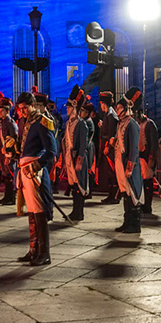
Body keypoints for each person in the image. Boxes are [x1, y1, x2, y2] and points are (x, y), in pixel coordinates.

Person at [15, 101, 57, 266]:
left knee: (39, 212)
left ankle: (44, 253)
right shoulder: (28, 123)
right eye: (20, 109)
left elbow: (51, 150)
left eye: (25, 107)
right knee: (32, 212)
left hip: (34, 172)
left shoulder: (42, 121)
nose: (23, 111)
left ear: (33, 105)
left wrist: (37, 165)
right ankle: (34, 250)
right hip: (25, 170)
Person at [114, 89, 146, 236]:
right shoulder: (121, 123)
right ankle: (127, 221)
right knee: (125, 193)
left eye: (120, 107)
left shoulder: (132, 124)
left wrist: (130, 166)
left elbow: (133, 147)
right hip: (120, 161)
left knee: (132, 192)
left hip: (128, 164)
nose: (117, 109)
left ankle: (134, 224)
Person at [60, 87, 94, 222]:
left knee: (79, 186)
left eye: (69, 107)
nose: (67, 110)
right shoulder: (69, 123)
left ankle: (79, 213)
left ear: (74, 108)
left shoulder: (81, 124)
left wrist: (79, 160)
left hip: (77, 159)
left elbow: (83, 145)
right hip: (69, 157)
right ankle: (75, 211)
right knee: (74, 185)